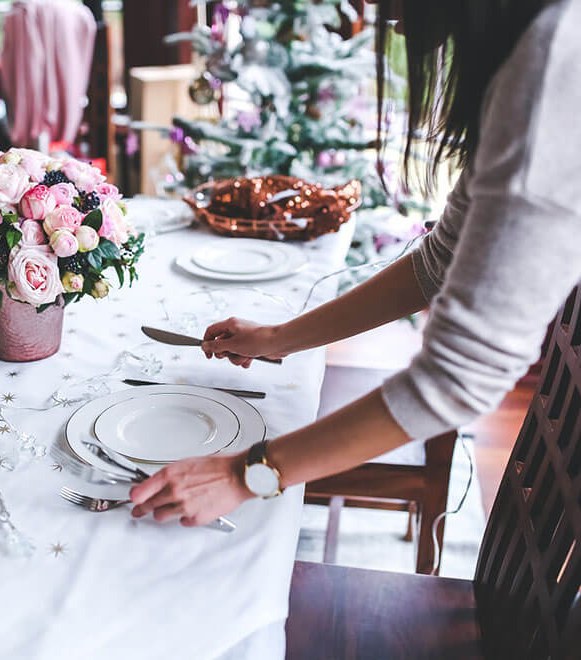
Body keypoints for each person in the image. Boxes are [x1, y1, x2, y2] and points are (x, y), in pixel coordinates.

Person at [130, 0, 581, 526]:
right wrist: (277, 339)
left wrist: (246, 474)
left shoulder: (555, 61)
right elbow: (438, 262)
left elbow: (458, 379)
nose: (374, 10)